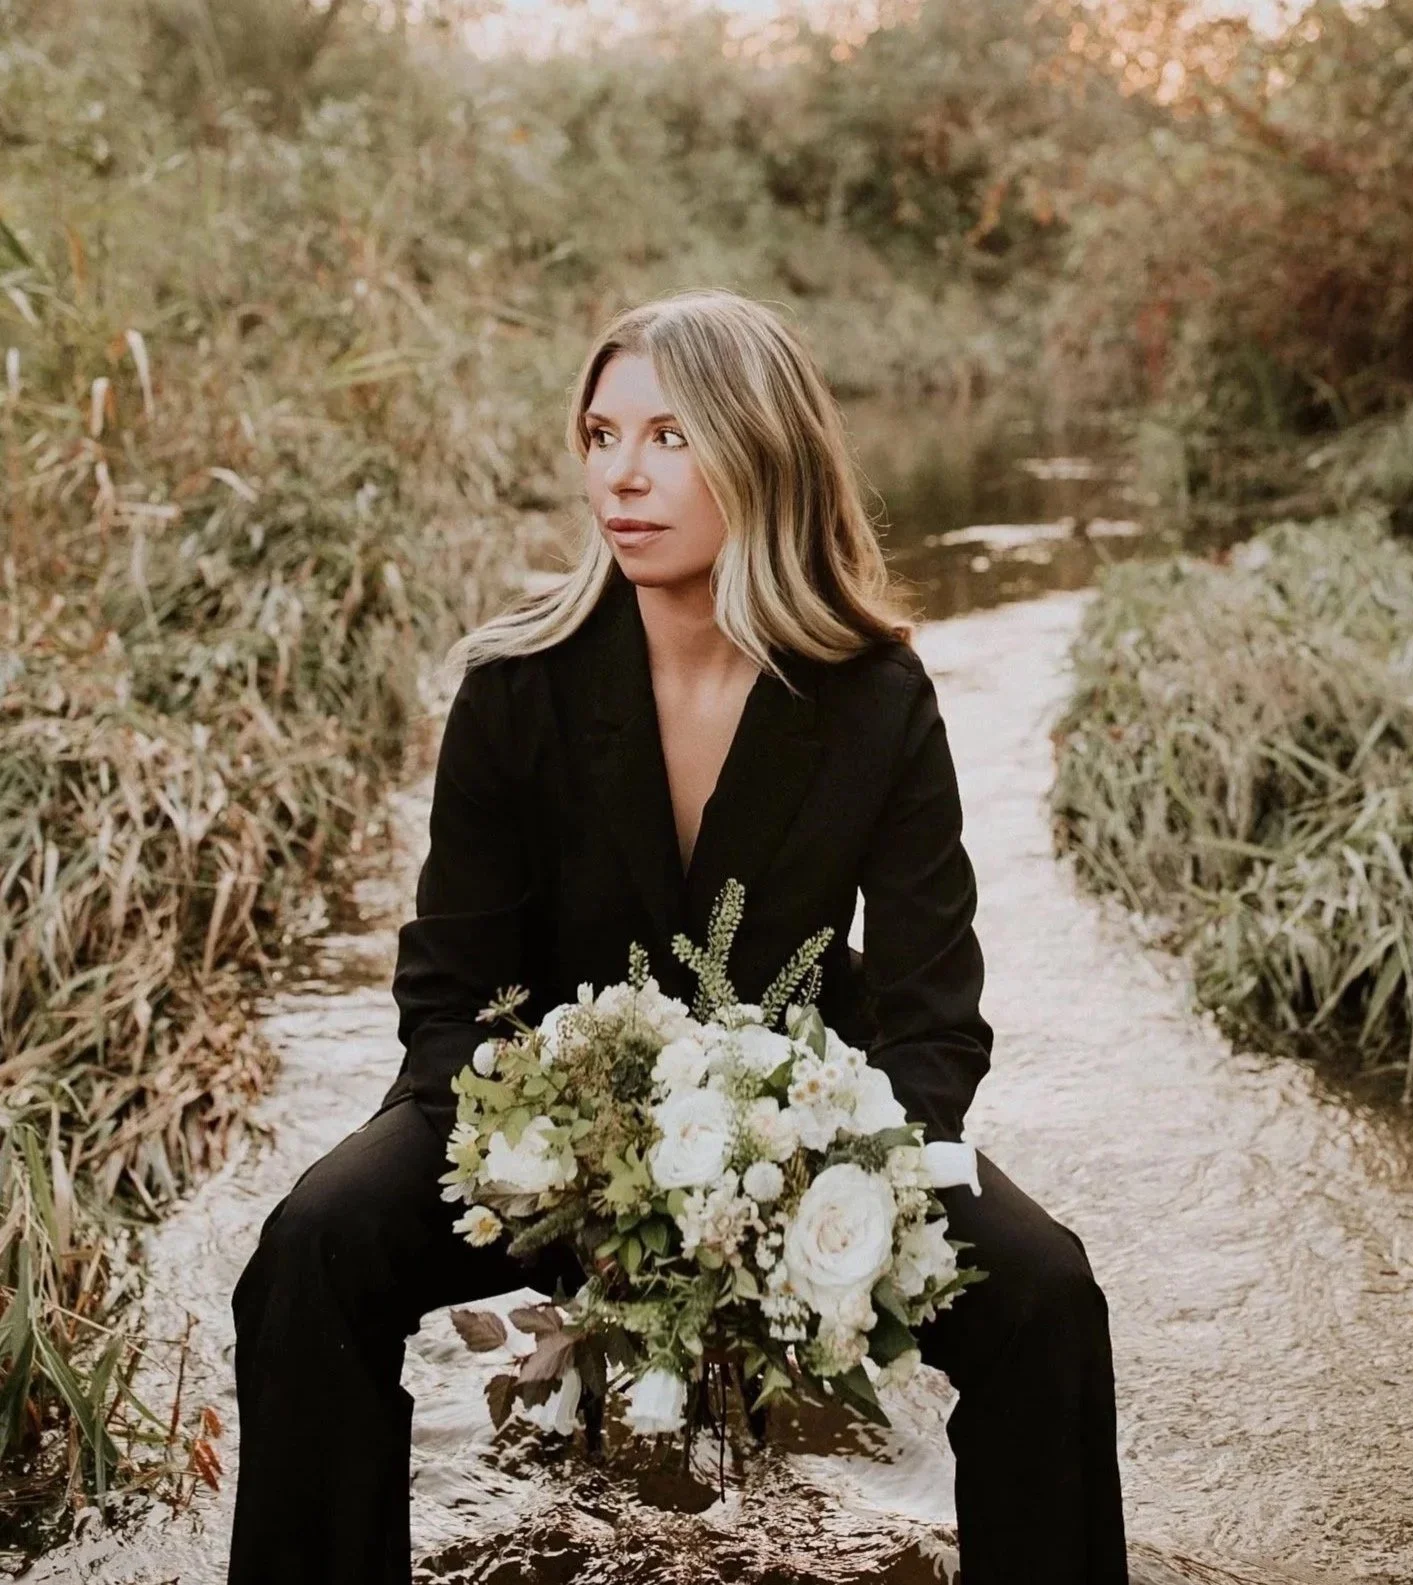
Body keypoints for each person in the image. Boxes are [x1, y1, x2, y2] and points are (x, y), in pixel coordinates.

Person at [228, 288, 1129, 1584]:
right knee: (311, 1248)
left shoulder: (875, 697)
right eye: (600, 435)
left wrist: (850, 1183)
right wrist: (544, 1161)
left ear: (759, 452)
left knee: (1045, 1293)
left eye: (667, 437)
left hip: (793, 1142)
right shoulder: (515, 687)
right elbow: (448, 988)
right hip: (537, 1124)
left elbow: (932, 1008)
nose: (621, 476)